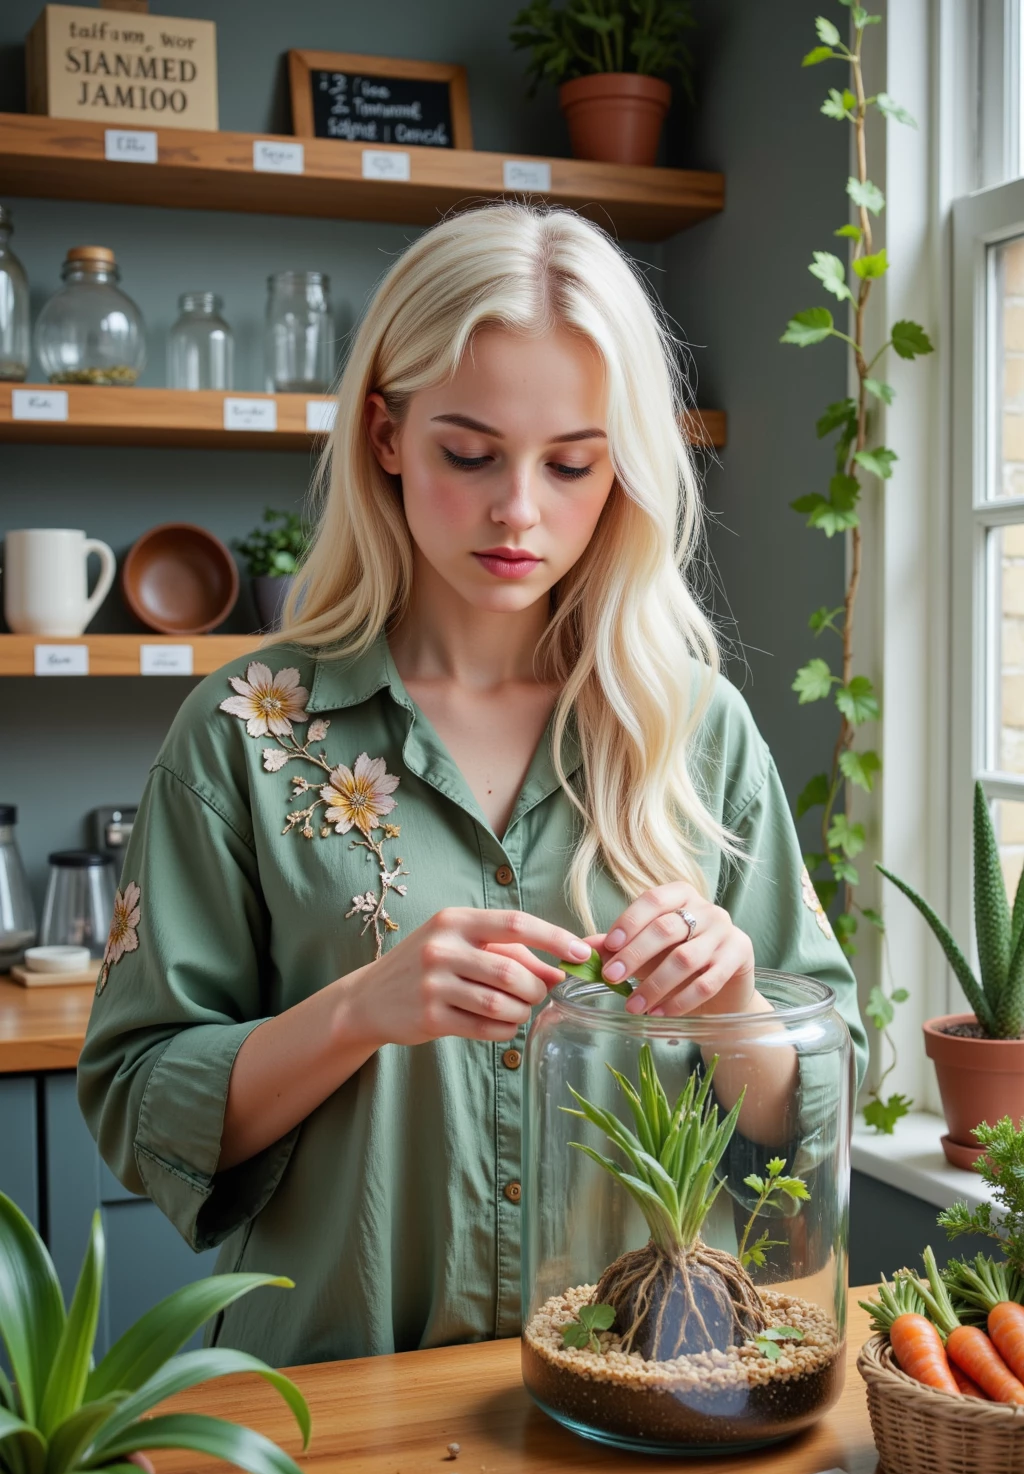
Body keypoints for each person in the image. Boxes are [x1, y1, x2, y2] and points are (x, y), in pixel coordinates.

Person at [78, 203, 867, 1369]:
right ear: (386, 435)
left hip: (653, 1397)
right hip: (341, 1401)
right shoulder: (244, 733)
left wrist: (737, 1004)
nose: (519, 511)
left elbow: (803, 1132)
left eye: (573, 464)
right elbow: (141, 1105)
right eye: (469, 452)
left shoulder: (695, 731)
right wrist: (354, 1012)